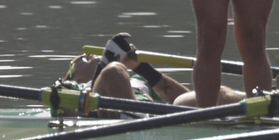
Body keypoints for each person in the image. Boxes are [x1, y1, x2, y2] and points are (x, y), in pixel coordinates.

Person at [64, 33, 196, 110]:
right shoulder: (72, 88)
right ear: (72, 76)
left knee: (211, 95)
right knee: (113, 71)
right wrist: (106, 65)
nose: (88, 53)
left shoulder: (139, 81)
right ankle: (136, 118)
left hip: (149, 116)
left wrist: (142, 68)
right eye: (80, 57)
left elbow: (193, 102)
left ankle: (138, 117)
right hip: (110, 118)